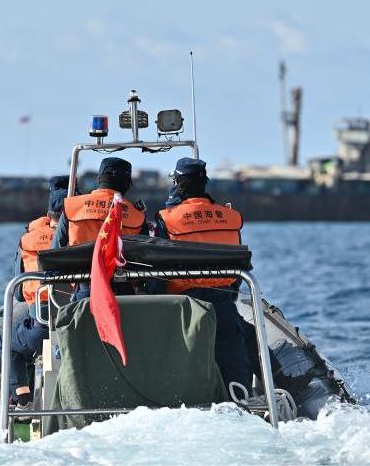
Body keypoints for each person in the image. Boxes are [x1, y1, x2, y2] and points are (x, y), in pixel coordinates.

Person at [154, 157, 252, 391]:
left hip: (184, 307)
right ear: (205, 182)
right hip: (223, 304)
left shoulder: (167, 219)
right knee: (236, 360)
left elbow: (157, 271)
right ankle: (243, 399)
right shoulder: (231, 217)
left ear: (177, 184)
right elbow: (237, 264)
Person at [9, 175, 68, 408]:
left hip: (42, 323)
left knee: (9, 342)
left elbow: (18, 293)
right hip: (79, 321)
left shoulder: (28, 239)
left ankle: (22, 399)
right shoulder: (83, 239)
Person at [52, 157, 148, 300]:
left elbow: (55, 252)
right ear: (127, 183)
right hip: (123, 294)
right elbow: (145, 260)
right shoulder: (137, 216)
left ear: (99, 179)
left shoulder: (72, 206)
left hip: (84, 290)